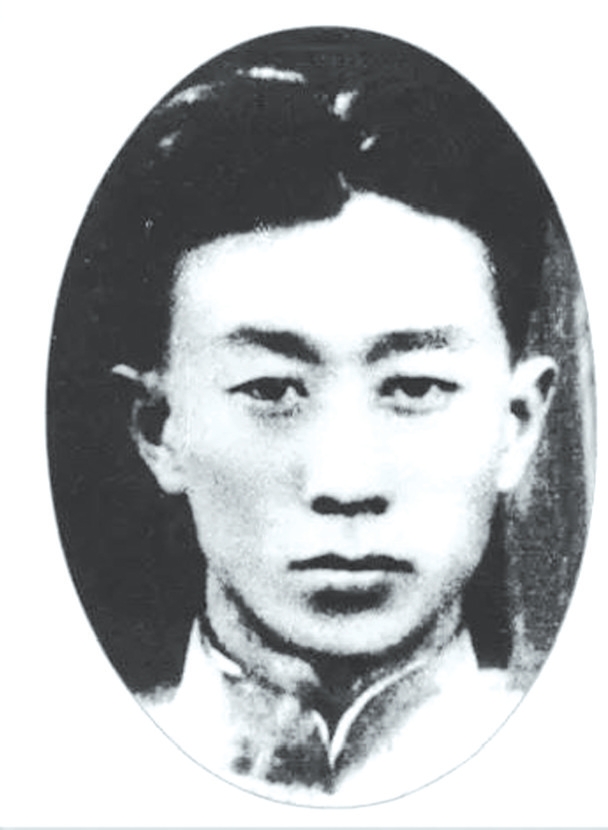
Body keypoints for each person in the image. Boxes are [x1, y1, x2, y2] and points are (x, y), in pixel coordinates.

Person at [47, 28, 586, 806]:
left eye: (415, 386)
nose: (345, 483)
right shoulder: (60, 775)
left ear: (518, 424)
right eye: (272, 389)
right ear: (160, 429)